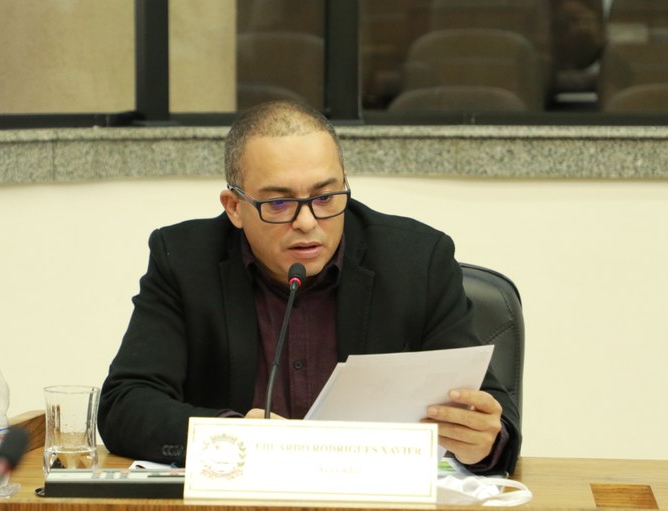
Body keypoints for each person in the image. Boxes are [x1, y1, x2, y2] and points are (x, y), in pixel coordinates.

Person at [98, 99, 521, 475]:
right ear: (235, 208)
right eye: (279, 203)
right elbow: (126, 404)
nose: (307, 222)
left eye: (325, 197)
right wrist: (231, 432)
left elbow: (491, 412)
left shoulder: (417, 261)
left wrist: (485, 441)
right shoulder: (184, 260)